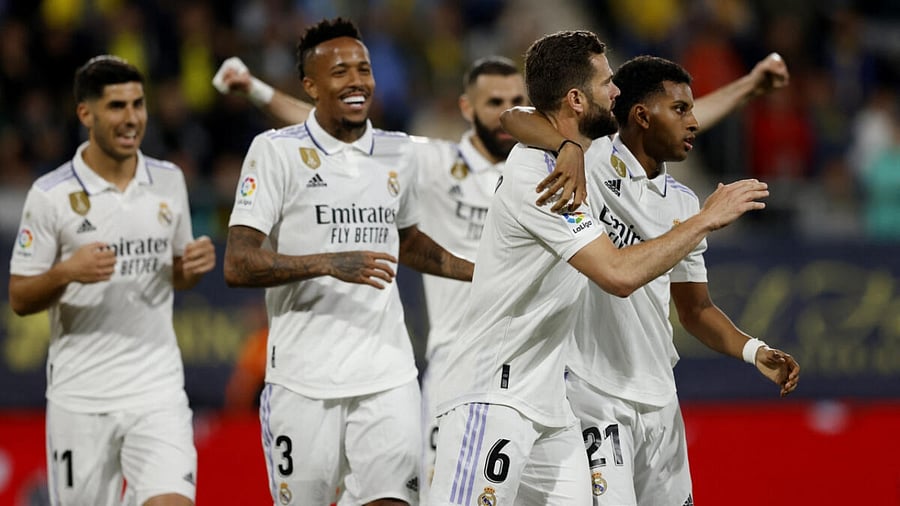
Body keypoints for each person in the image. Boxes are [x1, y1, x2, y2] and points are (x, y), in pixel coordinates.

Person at [428, 30, 769, 505]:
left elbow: (525, 117)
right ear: (575, 97)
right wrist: (706, 219)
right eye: (608, 82)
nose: (616, 92)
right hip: (493, 389)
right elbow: (618, 274)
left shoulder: (580, 156)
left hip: (550, 404)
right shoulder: (543, 175)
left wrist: (569, 144)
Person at [214, 53, 529, 496]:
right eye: (495, 101)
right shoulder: (431, 162)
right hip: (458, 364)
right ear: (466, 108)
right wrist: (255, 89)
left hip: (533, 368)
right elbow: (323, 128)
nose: (507, 113)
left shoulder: (541, 172)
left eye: (518, 101)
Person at [501, 55, 801, 505]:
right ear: (642, 116)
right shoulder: (594, 157)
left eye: (692, 110)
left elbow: (695, 310)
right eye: (681, 110)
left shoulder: (682, 202)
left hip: (660, 398)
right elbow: (515, 117)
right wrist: (566, 148)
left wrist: (753, 350)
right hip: (592, 394)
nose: (693, 122)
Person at [8, 55, 216, 506]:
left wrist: (191, 268)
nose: (132, 118)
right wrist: (68, 271)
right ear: (86, 113)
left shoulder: (168, 180)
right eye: (117, 106)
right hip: (82, 396)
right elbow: (20, 297)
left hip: (157, 388)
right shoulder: (51, 195)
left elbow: (175, 274)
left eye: (138, 104)